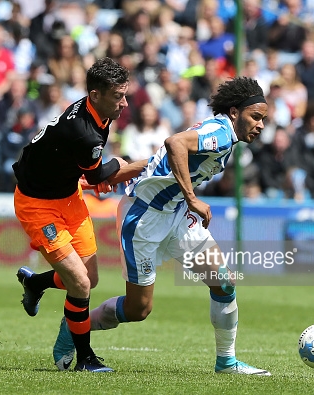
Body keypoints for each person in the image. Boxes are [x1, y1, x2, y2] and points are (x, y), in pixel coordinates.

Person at [50, 76, 272, 375]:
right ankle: (73, 326)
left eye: (263, 119)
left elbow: (158, 160)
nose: (260, 125)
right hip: (144, 218)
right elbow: (174, 143)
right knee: (137, 310)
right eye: (255, 117)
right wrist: (193, 198)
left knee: (223, 282)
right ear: (234, 112)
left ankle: (227, 362)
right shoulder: (219, 133)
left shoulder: (224, 135)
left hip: (177, 216)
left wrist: (110, 176)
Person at [13, 57, 131, 372]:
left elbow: (86, 172)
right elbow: (97, 176)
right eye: (118, 96)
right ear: (95, 95)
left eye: (125, 94)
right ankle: (85, 360)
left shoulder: (97, 113)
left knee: (89, 279)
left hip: (69, 197)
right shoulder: (85, 132)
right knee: (79, 284)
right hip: (38, 205)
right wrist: (129, 164)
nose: (125, 102)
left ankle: (36, 283)